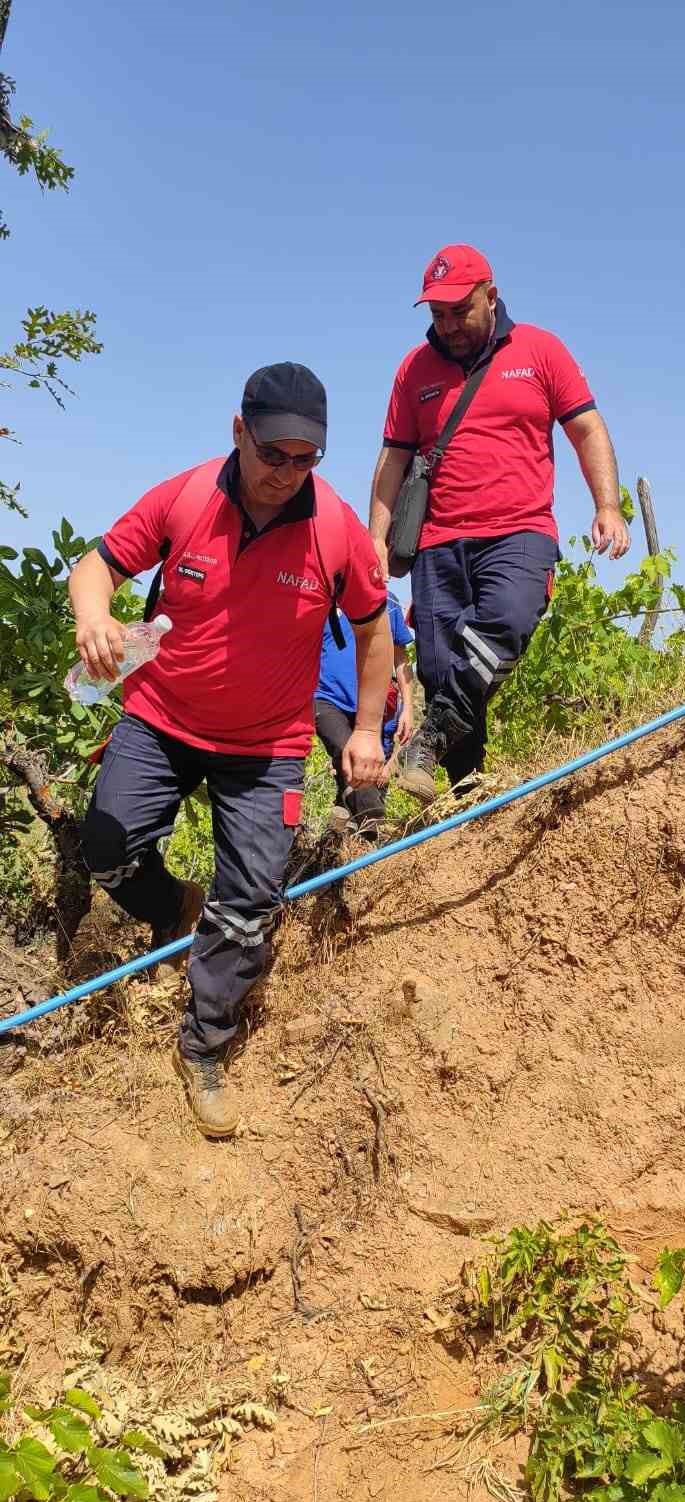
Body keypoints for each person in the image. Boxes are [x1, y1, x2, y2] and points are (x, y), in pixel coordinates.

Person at [69, 363, 392, 1138]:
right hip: (162, 717)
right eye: (273, 452)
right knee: (106, 849)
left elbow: (377, 625)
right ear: (238, 431)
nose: (287, 472)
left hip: (267, 745)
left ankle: (204, 1044)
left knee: (249, 908)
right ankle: (175, 906)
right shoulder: (183, 498)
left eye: (305, 459)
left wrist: (370, 728)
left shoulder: (336, 527)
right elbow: (97, 567)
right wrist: (94, 616)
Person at [369, 243, 630, 801]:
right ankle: (470, 793)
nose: (448, 325)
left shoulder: (540, 350)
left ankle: (430, 741)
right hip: (437, 543)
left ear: (491, 296)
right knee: (444, 674)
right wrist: (374, 538)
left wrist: (607, 505)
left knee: (506, 620)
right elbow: (392, 459)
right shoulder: (413, 371)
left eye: (459, 311)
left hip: (520, 530)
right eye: (437, 314)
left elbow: (587, 428)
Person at [314, 593, 414, 834]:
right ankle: (374, 825)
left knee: (363, 771)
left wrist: (408, 707)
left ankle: (342, 838)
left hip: (371, 706)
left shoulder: (388, 603)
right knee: (345, 749)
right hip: (325, 698)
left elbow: (400, 658)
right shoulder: (323, 594)